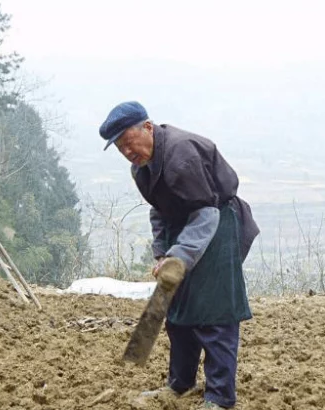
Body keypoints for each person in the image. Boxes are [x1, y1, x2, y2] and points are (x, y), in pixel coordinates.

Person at [99, 101, 259, 410]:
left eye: (130, 143)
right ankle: (180, 383)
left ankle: (220, 397)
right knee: (176, 313)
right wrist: (162, 254)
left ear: (148, 127)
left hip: (217, 223)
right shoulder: (141, 169)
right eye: (121, 149)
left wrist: (181, 257)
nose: (129, 153)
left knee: (215, 314)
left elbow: (206, 213)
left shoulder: (180, 155)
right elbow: (159, 212)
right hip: (185, 225)